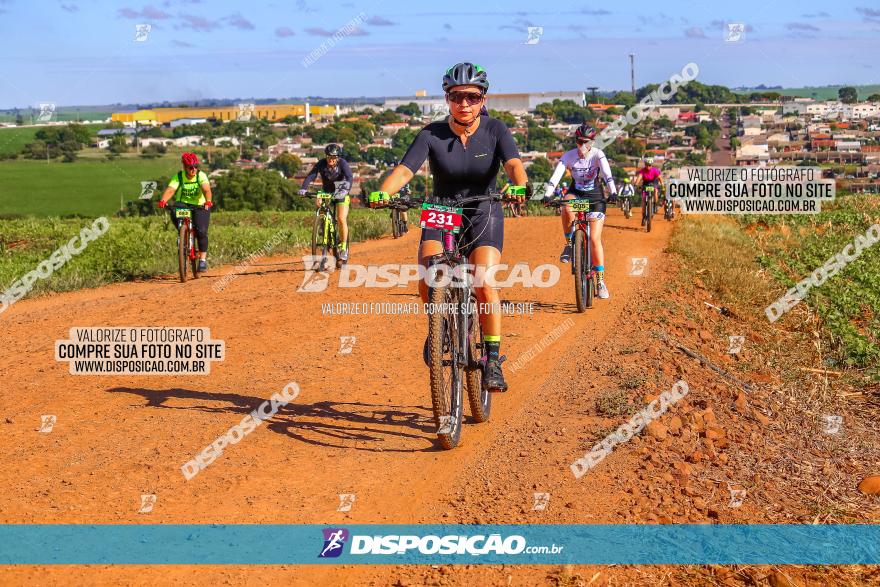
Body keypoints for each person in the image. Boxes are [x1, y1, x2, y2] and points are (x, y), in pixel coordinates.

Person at [373, 62, 529, 393]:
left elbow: (514, 164)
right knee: (427, 277)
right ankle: (440, 326)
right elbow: (405, 169)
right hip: (441, 209)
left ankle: (492, 357)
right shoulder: (431, 133)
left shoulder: (495, 129)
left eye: (472, 97)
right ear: (447, 98)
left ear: (483, 98)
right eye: (457, 96)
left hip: (484, 208)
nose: (464, 104)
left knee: (483, 280)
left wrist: (519, 184)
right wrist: (383, 192)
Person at [542, 123, 616, 299]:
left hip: (595, 197)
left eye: (586, 142)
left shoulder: (598, 154)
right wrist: (547, 194)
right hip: (576, 193)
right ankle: (569, 245)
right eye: (579, 141)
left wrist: (612, 191)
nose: (582, 146)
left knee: (594, 238)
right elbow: (557, 175)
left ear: (592, 142)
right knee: (566, 207)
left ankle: (600, 281)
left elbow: (607, 174)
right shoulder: (569, 156)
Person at [157, 152, 213, 272]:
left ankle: (202, 260)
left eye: (196, 166)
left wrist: (208, 201)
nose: (193, 169)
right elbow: (171, 190)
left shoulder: (201, 176)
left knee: (202, 231)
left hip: (200, 206)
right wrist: (163, 200)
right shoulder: (179, 176)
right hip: (183, 204)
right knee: (173, 211)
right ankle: (184, 234)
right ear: (184, 167)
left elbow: (206, 189)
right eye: (190, 167)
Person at [300, 144, 354, 261]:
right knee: (320, 208)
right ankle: (324, 230)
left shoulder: (343, 163)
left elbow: (349, 177)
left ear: (338, 157)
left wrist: (346, 190)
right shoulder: (321, 163)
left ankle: (344, 247)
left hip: (341, 189)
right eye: (329, 157)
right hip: (327, 190)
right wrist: (304, 188)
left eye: (334, 157)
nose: (331, 159)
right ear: (326, 156)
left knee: (340, 218)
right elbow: (311, 176)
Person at [633, 156, 664, 225]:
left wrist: (662, 185)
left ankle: (655, 205)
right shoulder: (642, 171)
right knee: (644, 201)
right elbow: (639, 178)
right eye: (647, 165)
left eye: (649, 165)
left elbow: (660, 178)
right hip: (645, 184)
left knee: (656, 191)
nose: (648, 167)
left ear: (651, 165)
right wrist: (635, 184)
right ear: (645, 164)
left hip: (653, 183)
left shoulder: (655, 170)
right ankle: (644, 217)